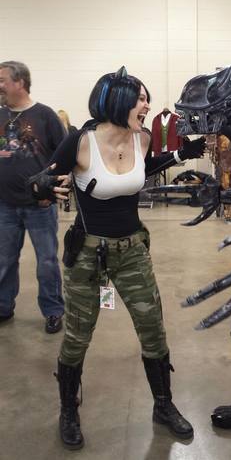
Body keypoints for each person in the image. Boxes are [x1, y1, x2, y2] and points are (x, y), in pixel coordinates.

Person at [29, 67, 205, 450]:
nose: (147, 105)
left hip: (133, 252)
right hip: (88, 257)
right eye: (140, 98)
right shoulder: (81, 142)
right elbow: (42, 180)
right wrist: (41, 187)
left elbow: (143, 170)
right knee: (77, 336)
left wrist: (179, 154)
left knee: (153, 330)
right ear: (117, 100)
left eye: (147, 98)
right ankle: (68, 409)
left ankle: (163, 404)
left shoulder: (142, 138)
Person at [0, 61, 65, 333]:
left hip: (40, 206)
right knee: (4, 260)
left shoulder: (45, 115)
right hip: (4, 204)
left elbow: (64, 155)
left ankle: (53, 311)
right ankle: (3, 307)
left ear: (20, 82)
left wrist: (52, 189)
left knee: (47, 262)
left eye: (2, 80)